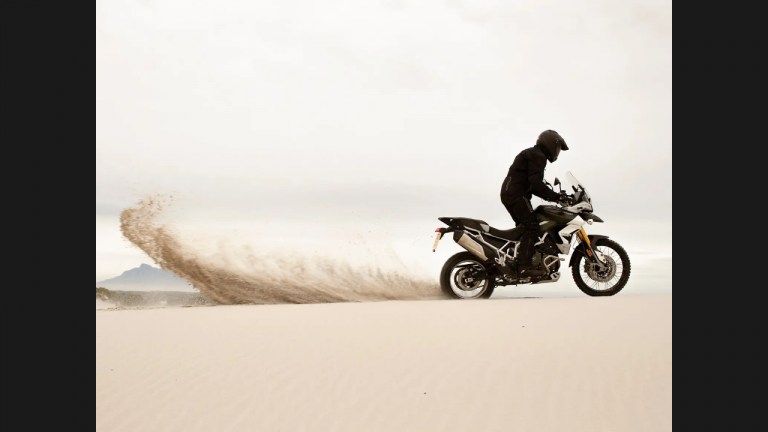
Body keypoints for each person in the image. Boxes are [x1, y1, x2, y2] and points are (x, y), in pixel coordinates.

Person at [500, 130, 572, 277]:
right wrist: (557, 197)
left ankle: (514, 260)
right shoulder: (538, 155)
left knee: (523, 229)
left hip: (511, 193)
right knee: (532, 227)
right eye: (558, 147)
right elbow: (535, 183)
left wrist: (553, 196)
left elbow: (534, 184)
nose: (558, 151)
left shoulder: (533, 153)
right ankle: (523, 267)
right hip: (516, 195)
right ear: (550, 144)